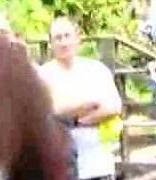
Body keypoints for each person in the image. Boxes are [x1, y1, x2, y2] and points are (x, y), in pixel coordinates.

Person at [38, 17, 122, 180]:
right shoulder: (42, 75)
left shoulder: (97, 69)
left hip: (99, 162)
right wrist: (90, 103)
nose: (63, 42)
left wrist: (75, 120)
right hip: (61, 165)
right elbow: (50, 111)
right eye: (58, 38)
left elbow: (113, 106)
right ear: (51, 44)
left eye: (67, 36)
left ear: (77, 38)